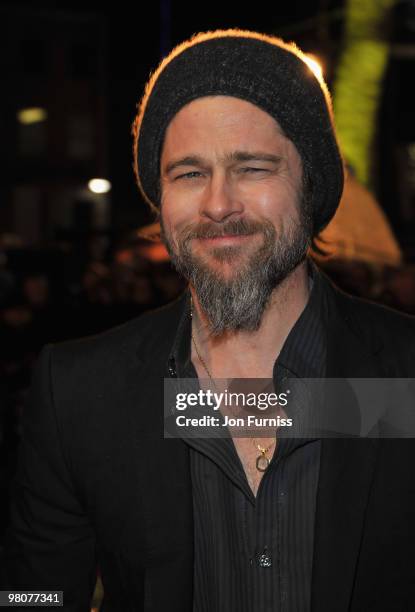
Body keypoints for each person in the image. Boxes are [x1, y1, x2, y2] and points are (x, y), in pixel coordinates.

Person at [5, 28, 415, 612]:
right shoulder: (78, 393)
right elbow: (34, 593)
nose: (218, 204)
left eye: (252, 167)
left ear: (311, 185)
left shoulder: (403, 377)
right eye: (189, 173)